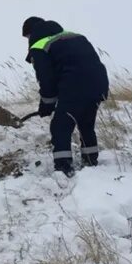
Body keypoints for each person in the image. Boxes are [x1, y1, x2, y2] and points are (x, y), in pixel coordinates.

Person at [22, 16, 109, 177]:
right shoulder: (73, 36)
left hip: (76, 86)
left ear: (31, 33)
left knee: (60, 126)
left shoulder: (40, 46)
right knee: (85, 124)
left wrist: (47, 104)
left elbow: (47, 80)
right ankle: (91, 161)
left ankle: (63, 169)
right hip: (99, 85)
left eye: (27, 37)